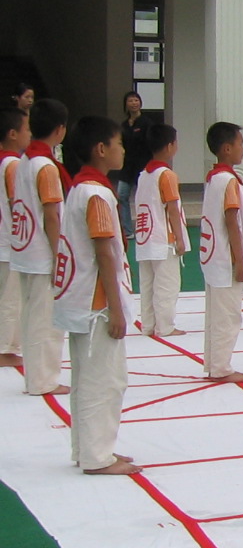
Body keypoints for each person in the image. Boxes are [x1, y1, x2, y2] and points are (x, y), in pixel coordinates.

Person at [53, 117, 138, 475]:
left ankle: (86, 449)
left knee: (87, 378)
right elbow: (104, 252)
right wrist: (116, 309)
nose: (123, 149)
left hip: (82, 299)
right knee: (104, 380)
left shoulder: (80, 189)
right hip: (98, 303)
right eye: (118, 143)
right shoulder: (97, 193)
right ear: (101, 149)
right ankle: (97, 455)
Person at [12, 98, 70, 396]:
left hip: (24, 247)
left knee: (31, 315)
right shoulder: (45, 167)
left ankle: (35, 376)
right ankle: (43, 379)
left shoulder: (24, 160)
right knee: (46, 320)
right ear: (60, 130)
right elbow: (51, 213)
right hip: (42, 251)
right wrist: (60, 251)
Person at [201, 122, 243, 383]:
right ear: (227, 148)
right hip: (226, 257)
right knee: (228, 314)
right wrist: (240, 259)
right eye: (240, 144)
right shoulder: (229, 181)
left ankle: (213, 363)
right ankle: (221, 367)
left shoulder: (214, 178)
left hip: (213, 255)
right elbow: (231, 220)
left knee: (215, 314)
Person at [133, 123, 186, 338]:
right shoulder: (167, 175)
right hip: (163, 238)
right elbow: (172, 208)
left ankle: (148, 324)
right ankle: (165, 326)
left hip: (145, 237)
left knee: (147, 284)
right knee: (167, 284)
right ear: (171, 145)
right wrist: (180, 238)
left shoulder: (143, 175)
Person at [0, 108, 30, 368]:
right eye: (26, 129)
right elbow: (15, 203)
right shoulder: (12, 165)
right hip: (9, 241)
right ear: (12, 134)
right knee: (11, 298)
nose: (29, 134)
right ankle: (6, 348)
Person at [114, 91, 153, 237]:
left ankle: (146, 229)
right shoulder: (124, 125)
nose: (134, 103)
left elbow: (151, 143)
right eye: (130, 101)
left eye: (136, 100)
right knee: (122, 195)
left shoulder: (146, 123)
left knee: (143, 198)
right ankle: (128, 230)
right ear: (126, 104)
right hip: (127, 167)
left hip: (143, 167)